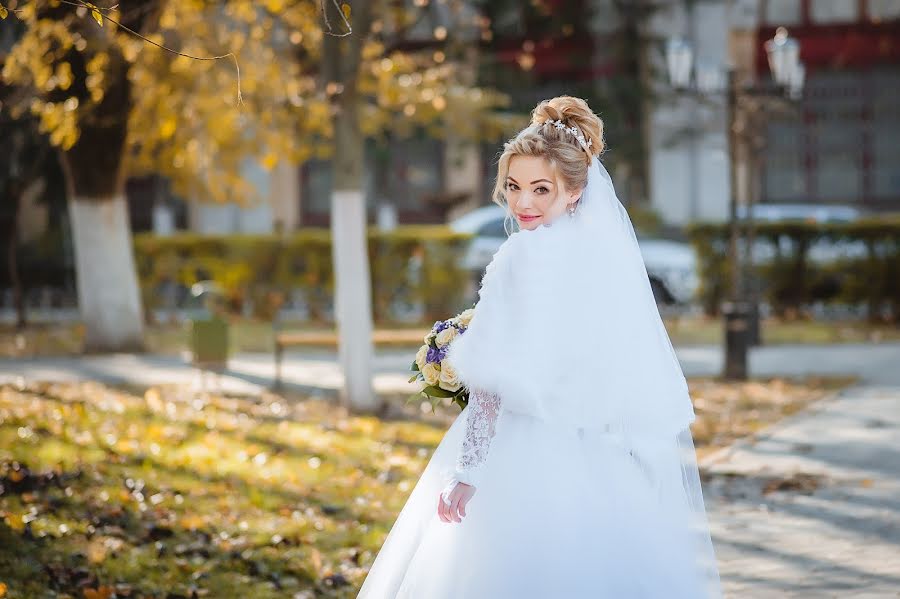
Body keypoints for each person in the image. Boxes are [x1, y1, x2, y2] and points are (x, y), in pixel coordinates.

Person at [356, 96, 721, 598]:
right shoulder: (602, 260)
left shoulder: (519, 258)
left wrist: (468, 470)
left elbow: (491, 375)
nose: (523, 203)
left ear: (574, 190)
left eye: (540, 189)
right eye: (513, 187)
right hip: (598, 452)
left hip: (520, 447)